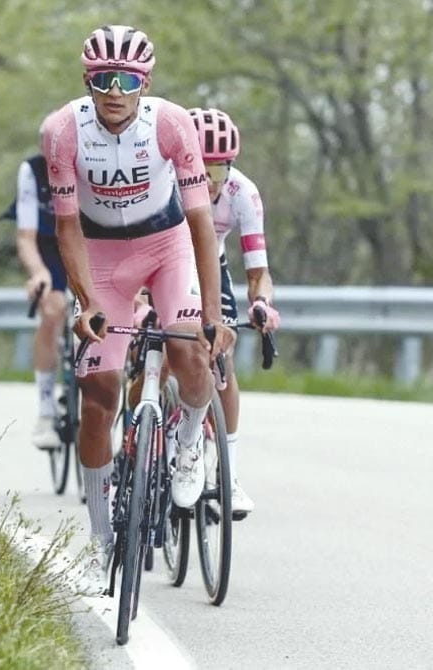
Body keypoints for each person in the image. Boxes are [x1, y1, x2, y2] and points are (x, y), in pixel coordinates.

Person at [40, 24, 235, 588]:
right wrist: (86, 302)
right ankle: (102, 535)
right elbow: (67, 227)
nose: (115, 91)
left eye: (127, 80)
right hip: (102, 257)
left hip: (167, 246)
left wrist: (213, 315)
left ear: (144, 84)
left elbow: (201, 222)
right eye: (104, 80)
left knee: (189, 352)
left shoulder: (171, 124)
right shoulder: (61, 132)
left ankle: (190, 443)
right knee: (98, 394)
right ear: (88, 81)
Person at [188, 107, 281, 516]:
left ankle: (229, 474)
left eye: (220, 171)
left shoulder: (243, 193)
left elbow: (258, 271)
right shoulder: (161, 183)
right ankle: (138, 444)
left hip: (213, 268)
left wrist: (261, 303)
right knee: (159, 350)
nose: (211, 181)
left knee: (221, 353)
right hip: (163, 262)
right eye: (202, 170)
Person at [11, 154, 68, 448]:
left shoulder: (98, 160)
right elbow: (25, 237)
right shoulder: (32, 171)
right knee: (53, 308)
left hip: (91, 240)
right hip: (48, 246)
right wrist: (39, 273)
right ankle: (46, 411)